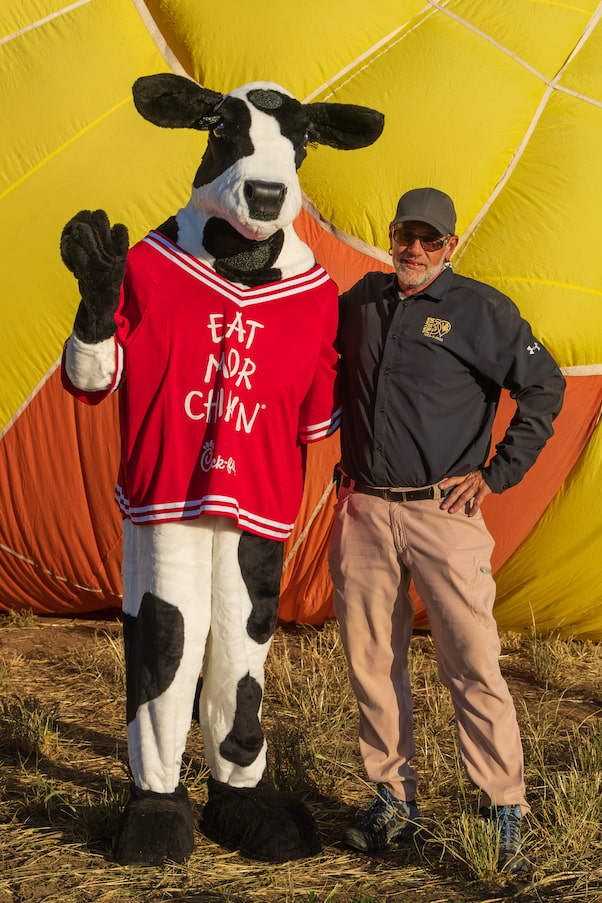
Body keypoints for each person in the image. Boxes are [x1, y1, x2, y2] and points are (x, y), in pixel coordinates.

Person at [329, 187, 565, 874]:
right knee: (372, 657)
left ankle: (503, 806)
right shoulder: (362, 302)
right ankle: (394, 799)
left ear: (450, 246)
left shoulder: (479, 310)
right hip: (365, 508)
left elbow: (543, 386)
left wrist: (497, 474)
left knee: (472, 659)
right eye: (407, 235)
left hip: (445, 513)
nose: (415, 250)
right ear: (392, 233)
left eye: (431, 240)